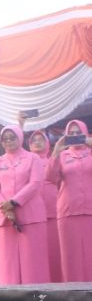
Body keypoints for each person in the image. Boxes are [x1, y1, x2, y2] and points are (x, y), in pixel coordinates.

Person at [0, 126, 49, 285]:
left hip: (31, 216)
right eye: (5, 139)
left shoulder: (33, 158)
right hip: (4, 219)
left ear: (20, 138)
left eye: (12, 137)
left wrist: (14, 202)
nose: (9, 141)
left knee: (33, 262)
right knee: (7, 263)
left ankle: (37, 299)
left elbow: (35, 183)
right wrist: (5, 207)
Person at [48, 120, 92, 282]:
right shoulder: (63, 155)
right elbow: (50, 178)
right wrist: (55, 153)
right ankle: (73, 297)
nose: (75, 136)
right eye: (71, 133)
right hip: (68, 211)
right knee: (71, 257)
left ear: (85, 133)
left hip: (90, 210)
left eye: (78, 133)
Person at [28, 130, 61, 282]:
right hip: (33, 213)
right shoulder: (27, 162)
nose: (37, 142)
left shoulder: (54, 160)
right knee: (37, 253)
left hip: (54, 211)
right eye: (33, 140)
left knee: (55, 251)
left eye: (41, 139)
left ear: (48, 143)